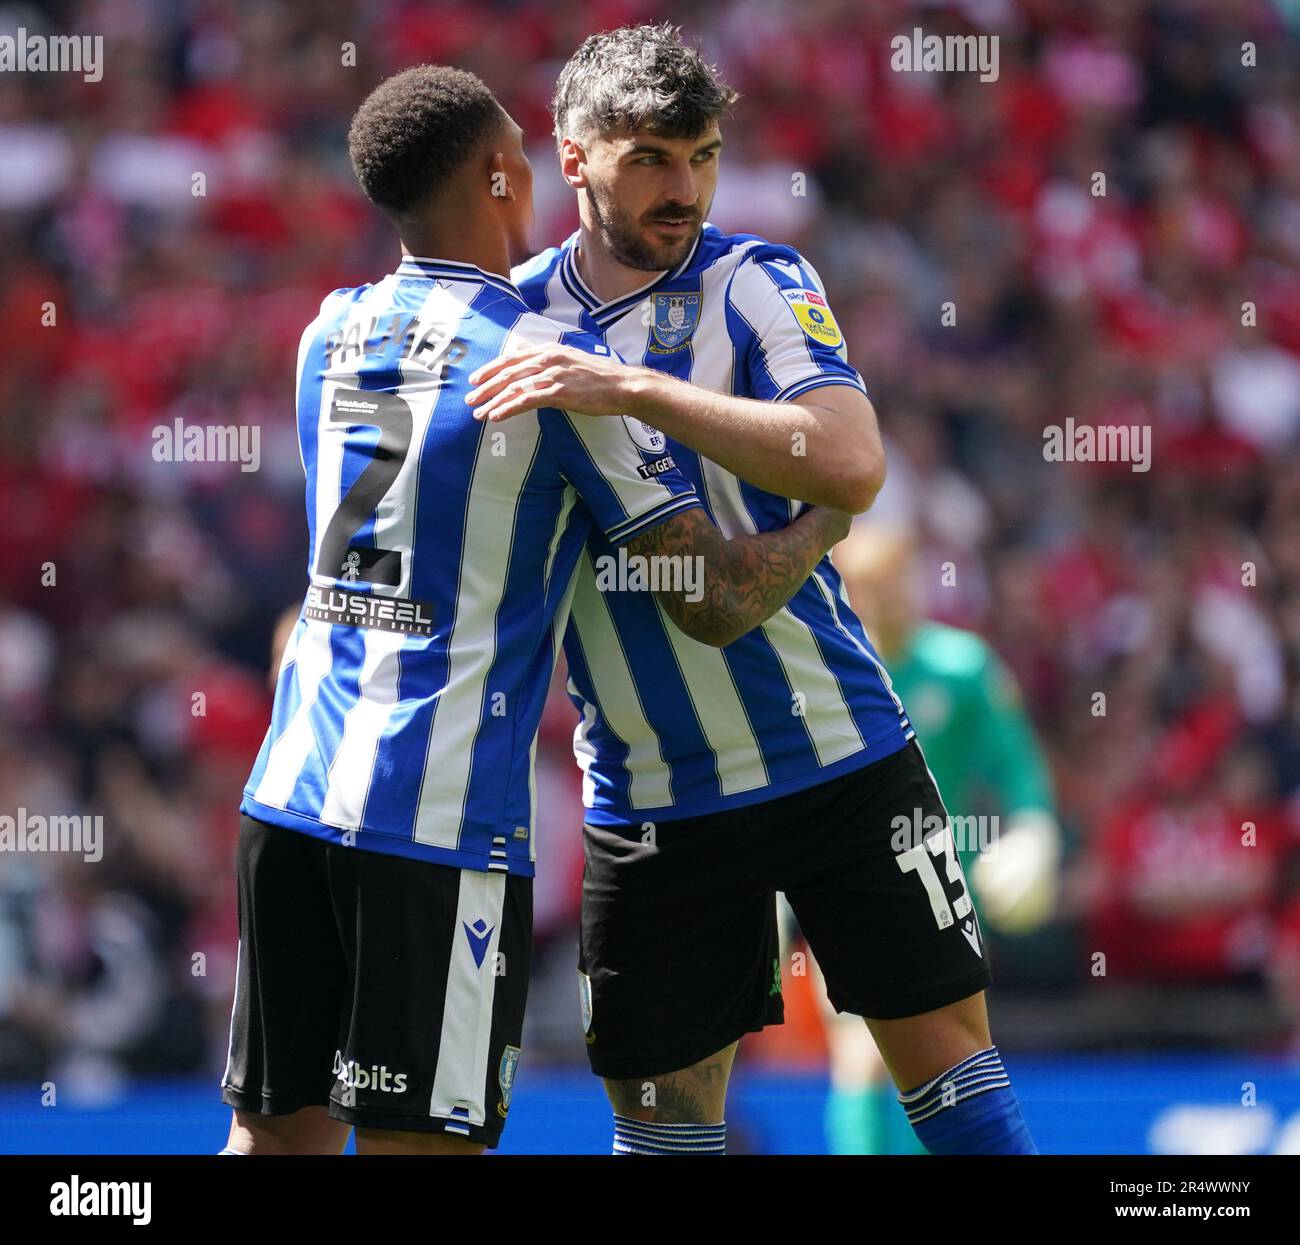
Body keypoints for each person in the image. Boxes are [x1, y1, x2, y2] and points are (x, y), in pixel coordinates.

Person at [219, 63, 849, 1156]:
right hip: (436, 824)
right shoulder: (552, 366)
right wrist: (828, 518)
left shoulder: (330, 332)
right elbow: (707, 599)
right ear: (507, 176)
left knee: (268, 1147)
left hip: (288, 798)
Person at [469, 24, 1037, 1155]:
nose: (684, 189)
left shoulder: (758, 279)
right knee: (666, 1132)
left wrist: (625, 384)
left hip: (839, 752)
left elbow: (851, 461)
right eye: (649, 161)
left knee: (957, 1084)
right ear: (573, 158)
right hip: (652, 798)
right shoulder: (510, 324)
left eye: (703, 156)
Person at [808, 522, 1061, 1154]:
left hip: (945, 892)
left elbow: (1020, 772)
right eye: (868, 586)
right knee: (862, 1052)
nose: (886, 599)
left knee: (946, 1065)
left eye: (896, 583)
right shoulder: (823, 673)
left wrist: (1034, 834)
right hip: (838, 889)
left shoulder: (964, 669)